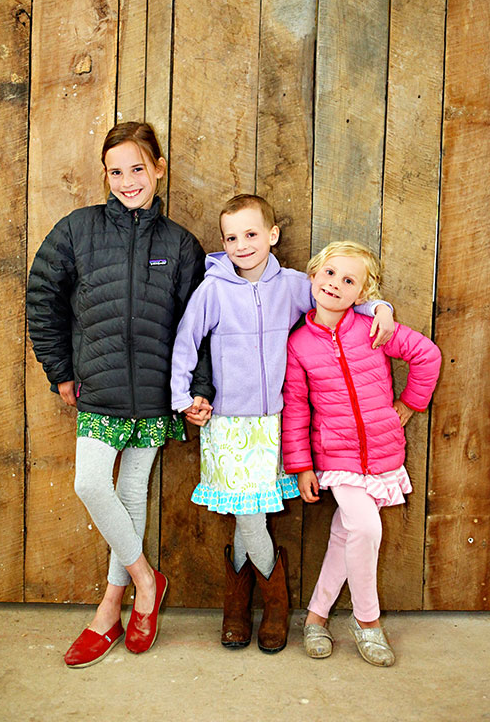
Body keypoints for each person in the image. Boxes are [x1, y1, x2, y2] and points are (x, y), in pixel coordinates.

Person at [171, 196, 395, 654]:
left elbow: (343, 300)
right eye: (231, 238)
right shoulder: (213, 290)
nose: (241, 245)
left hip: (272, 423)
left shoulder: (294, 285)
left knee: (248, 512)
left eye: (251, 234)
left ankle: (239, 606)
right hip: (226, 424)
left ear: (272, 235)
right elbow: (186, 340)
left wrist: (380, 308)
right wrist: (181, 397)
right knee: (248, 515)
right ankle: (275, 603)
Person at [27, 121, 213, 668]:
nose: (128, 180)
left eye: (138, 168)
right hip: (100, 389)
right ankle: (145, 581)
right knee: (92, 483)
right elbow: (43, 298)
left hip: (158, 393)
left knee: (132, 495)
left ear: (158, 169)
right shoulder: (76, 231)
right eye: (116, 171)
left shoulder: (180, 244)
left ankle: (110, 608)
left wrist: (197, 388)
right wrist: (60, 369)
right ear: (104, 175)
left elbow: (200, 325)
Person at [282, 241, 441, 667]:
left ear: (362, 294)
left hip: (383, 454)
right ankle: (367, 622)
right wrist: (300, 466)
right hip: (335, 458)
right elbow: (296, 407)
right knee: (366, 529)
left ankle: (315, 617)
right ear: (313, 276)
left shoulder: (373, 328)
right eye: (329, 274)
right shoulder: (298, 344)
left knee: (346, 535)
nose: (335, 284)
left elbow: (427, 356)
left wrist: (410, 405)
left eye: (348, 280)